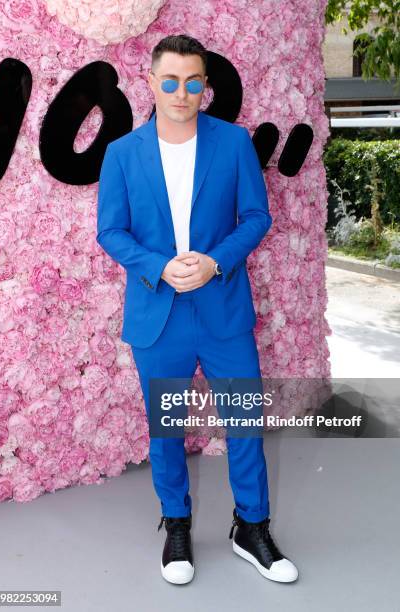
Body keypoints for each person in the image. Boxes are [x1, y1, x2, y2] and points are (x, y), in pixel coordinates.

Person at [97, 34, 298, 585]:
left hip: (223, 307)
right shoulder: (121, 153)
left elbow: (256, 217)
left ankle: (250, 527)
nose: (180, 93)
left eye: (192, 82)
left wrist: (215, 262)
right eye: (169, 81)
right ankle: (177, 524)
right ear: (150, 82)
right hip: (158, 311)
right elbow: (110, 231)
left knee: (244, 423)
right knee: (167, 428)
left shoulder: (233, 144)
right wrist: (159, 266)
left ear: (205, 86)